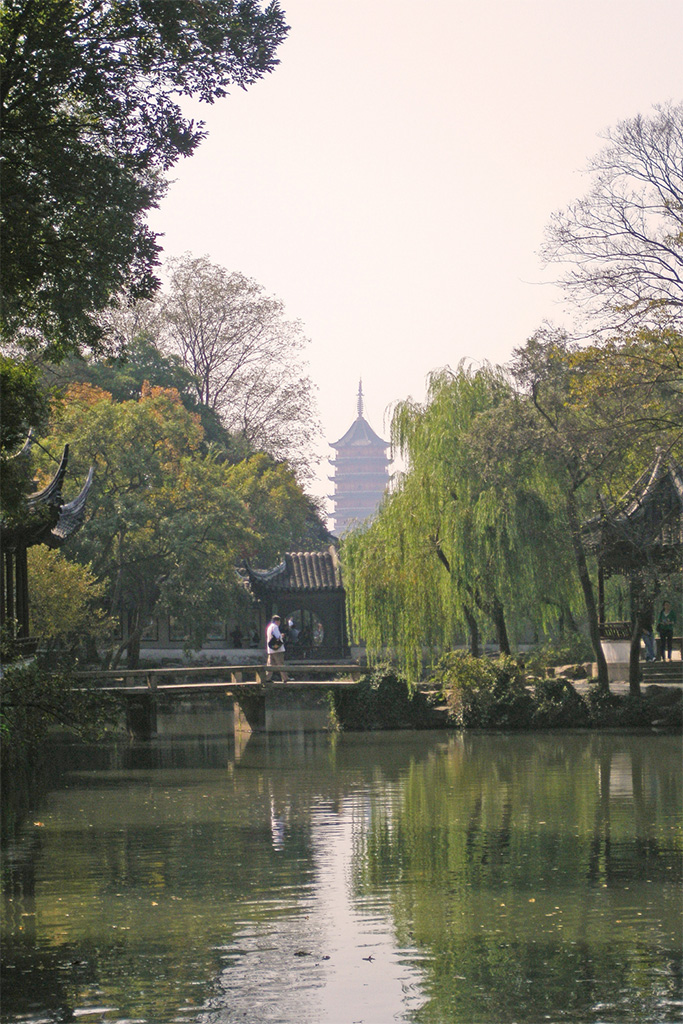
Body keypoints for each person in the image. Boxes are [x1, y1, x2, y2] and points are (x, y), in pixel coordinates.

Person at [265, 614, 288, 682]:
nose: (279, 622)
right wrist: (282, 636)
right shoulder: (275, 627)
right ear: (276, 621)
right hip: (277, 649)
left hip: (270, 649)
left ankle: (267, 678)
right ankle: (285, 678)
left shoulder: (269, 627)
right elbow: (277, 636)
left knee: (270, 665)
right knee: (280, 664)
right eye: (279, 621)